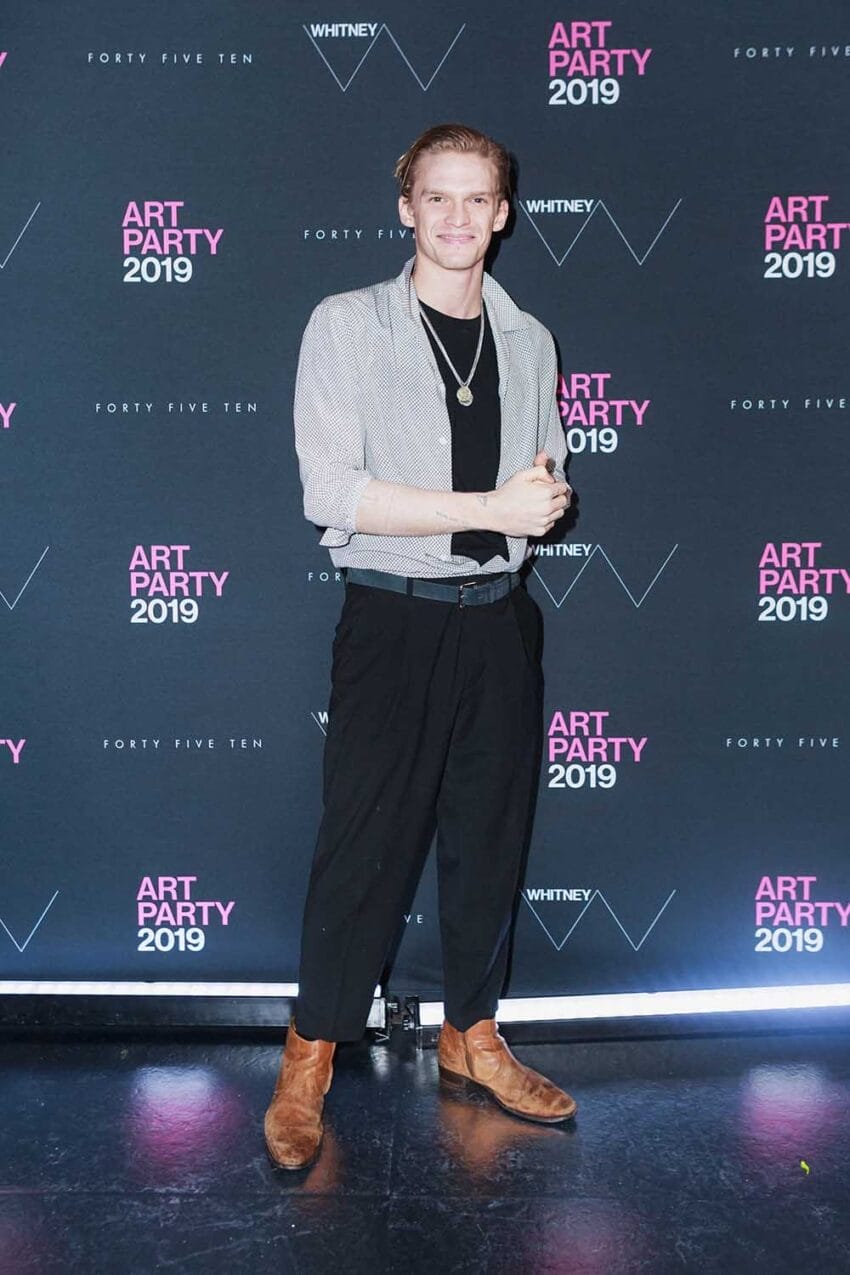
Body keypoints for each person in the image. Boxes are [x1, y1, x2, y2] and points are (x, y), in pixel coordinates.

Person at [265, 123, 576, 1170]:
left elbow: (543, 479)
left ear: (501, 214)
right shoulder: (345, 326)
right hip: (392, 617)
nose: (454, 217)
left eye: (474, 199)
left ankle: (470, 1036)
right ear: (406, 208)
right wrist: (489, 502)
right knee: (362, 847)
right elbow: (332, 492)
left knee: (490, 844)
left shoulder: (528, 340)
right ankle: (308, 1055)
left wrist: (540, 500)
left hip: (500, 622)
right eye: (434, 197)